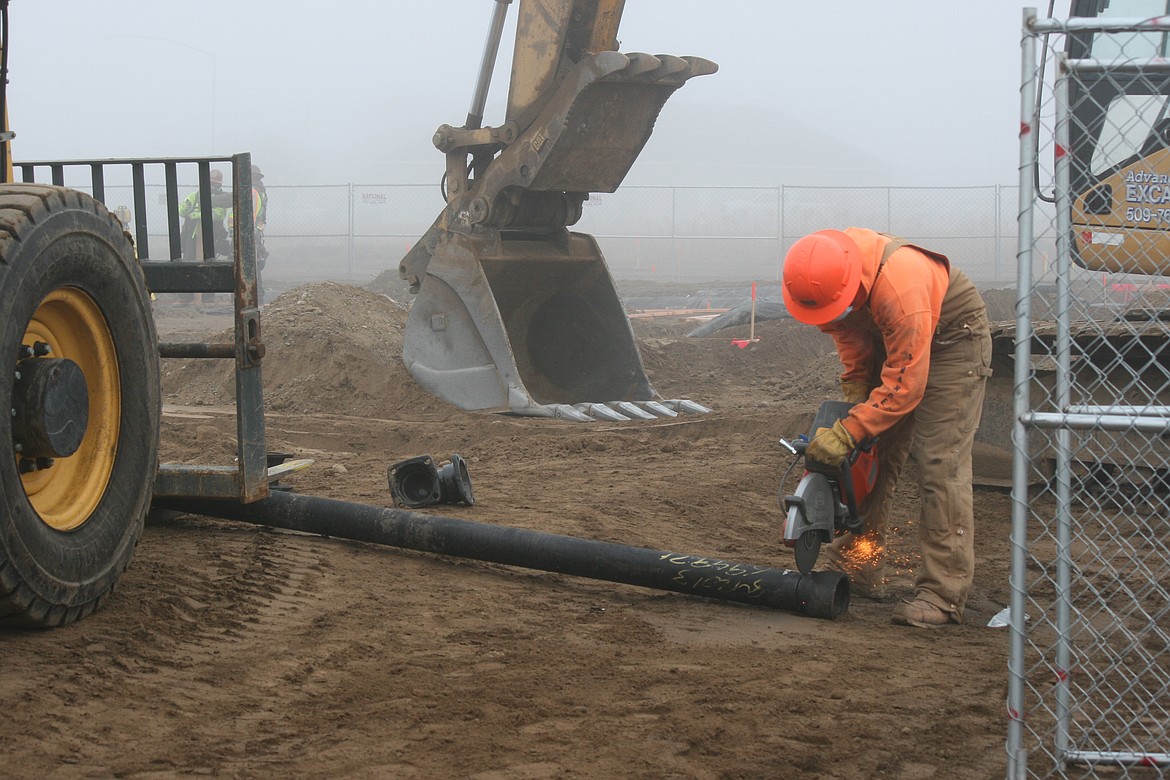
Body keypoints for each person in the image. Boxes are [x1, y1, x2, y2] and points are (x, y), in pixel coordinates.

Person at [781, 227, 992, 628]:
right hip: (892, 336)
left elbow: (905, 386)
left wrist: (848, 432)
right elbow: (848, 333)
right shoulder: (825, 282)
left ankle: (942, 594)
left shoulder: (900, 287)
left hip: (951, 341)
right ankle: (858, 565)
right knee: (869, 454)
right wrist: (857, 389)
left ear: (850, 286)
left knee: (938, 463)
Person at [178, 169, 230, 261]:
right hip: (191, 235)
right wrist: (186, 208)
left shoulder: (222, 199)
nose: (213, 187)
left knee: (208, 262)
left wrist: (197, 215)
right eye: (211, 183)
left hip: (211, 236)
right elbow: (181, 211)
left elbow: (218, 215)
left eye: (216, 184)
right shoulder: (195, 195)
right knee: (187, 262)